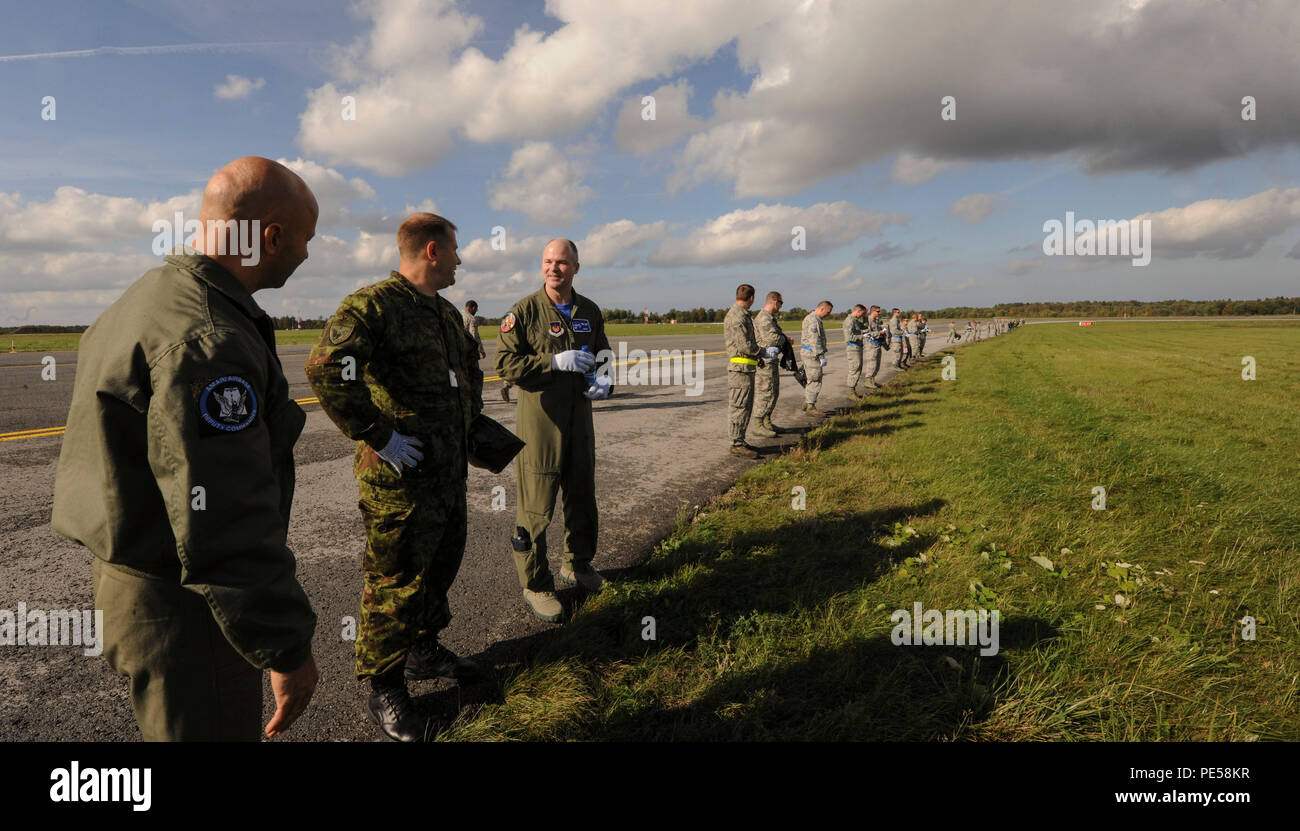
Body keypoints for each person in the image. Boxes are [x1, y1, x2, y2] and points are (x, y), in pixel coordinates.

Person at [51, 156, 320, 741]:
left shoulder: (142, 300)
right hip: (184, 602)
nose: (305, 255)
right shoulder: (210, 337)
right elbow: (223, 515)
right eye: (305, 240)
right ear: (270, 237)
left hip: (130, 579)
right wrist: (284, 645)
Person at [305, 212, 484, 743]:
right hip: (398, 480)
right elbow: (327, 367)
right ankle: (384, 686)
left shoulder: (447, 313)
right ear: (432, 250)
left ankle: (423, 650)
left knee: (440, 566)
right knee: (395, 581)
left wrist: (470, 424)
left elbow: (467, 373)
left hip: (446, 472)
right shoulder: (373, 305)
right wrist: (377, 434)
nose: (459, 258)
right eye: (455, 249)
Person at [496, 239, 613, 623]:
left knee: (582, 495)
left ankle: (577, 564)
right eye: (548, 262)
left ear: (576, 266)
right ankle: (535, 583)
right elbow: (506, 365)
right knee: (537, 505)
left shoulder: (590, 311)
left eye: (562, 262)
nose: (554, 268)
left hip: (580, 419)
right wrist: (553, 361)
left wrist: (606, 378)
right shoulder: (524, 311)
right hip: (540, 422)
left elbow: (603, 353)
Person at [724, 284, 770, 457]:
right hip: (740, 371)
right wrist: (763, 351)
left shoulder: (742, 315)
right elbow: (744, 346)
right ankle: (736, 444)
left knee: (745, 407)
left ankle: (740, 440)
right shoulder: (737, 317)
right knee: (739, 407)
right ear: (751, 298)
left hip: (746, 369)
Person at [752, 291, 786, 435]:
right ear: (774, 301)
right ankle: (758, 423)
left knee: (773, 391)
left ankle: (767, 420)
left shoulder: (770, 318)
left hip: (770, 360)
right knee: (765, 391)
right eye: (781, 303)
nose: (781, 306)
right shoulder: (764, 318)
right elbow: (772, 339)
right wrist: (785, 340)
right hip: (764, 361)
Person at [800, 301, 832, 415]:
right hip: (812, 354)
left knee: (812, 379)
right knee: (815, 379)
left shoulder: (814, 318)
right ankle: (810, 406)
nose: (828, 315)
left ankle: (808, 402)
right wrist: (820, 355)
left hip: (810, 352)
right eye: (828, 312)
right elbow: (814, 339)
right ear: (822, 309)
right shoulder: (813, 319)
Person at [842, 303, 868, 399]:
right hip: (853, 348)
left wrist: (865, 315)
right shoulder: (849, 321)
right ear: (858, 311)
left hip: (857, 347)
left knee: (858, 369)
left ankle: (853, 391)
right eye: (862, 314)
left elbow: (865, 326)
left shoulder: (855, 320)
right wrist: (862, 336)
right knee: (854, 369)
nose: (862, 316)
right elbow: (849, 337)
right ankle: (850, 392)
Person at [864, 304, 885, 388]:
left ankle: (872, 381)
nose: (879, 313)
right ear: (873, 311)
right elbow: (867, 333)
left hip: (877, 344)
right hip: (871, 345)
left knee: (877, 364)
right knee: (871, 363)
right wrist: (879, 333)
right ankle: (868, 381)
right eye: (878, 311)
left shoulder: (876, 320)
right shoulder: (868, 320)